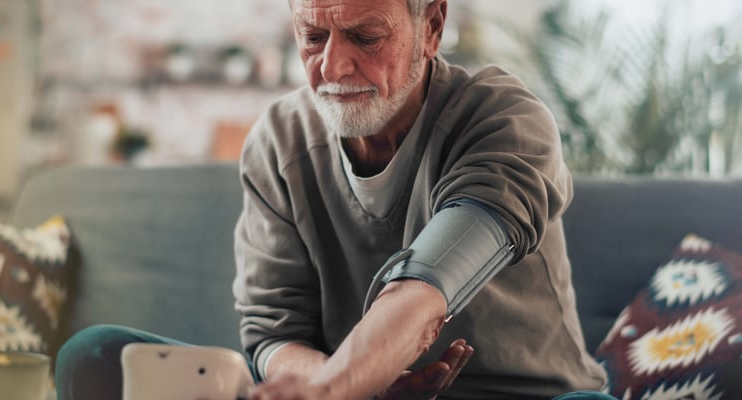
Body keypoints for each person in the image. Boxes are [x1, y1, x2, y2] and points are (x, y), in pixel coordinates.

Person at [56, 0, 615, 399]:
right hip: (338, 391)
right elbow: (274, 336)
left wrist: (336, 387)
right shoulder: (279, 141)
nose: (332, 66)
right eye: (313, 36)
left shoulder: (504, 120)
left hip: (515, 395)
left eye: (365, 37)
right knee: (96, 355)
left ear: (432, 26)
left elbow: (425, 290)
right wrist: (342, 385)